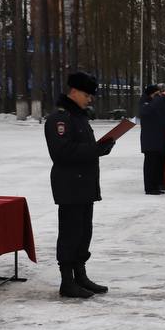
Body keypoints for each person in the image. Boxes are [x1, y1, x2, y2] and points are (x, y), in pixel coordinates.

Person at [45, 72, 115, 299]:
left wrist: (102, 147)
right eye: (87, 94)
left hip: (85, 184)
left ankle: (80, 275)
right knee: (70, 232)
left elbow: (84, 149)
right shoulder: (60, 119)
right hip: (70, 185)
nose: (90, 99)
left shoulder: (79, 118)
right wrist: (97, 148)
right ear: (73, 92)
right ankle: (67, 281)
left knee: (84, 232)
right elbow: (62, 153)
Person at [138, 84, 165, 195]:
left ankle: (155, 185)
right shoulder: (144, 103)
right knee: (150, 165)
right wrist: (157, 99)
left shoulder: (154, 103)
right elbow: (146, 112)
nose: (158, 97)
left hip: (157, 138)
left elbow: (164, 109)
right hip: (149, 140)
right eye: (156, 94)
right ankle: (149, 187)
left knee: (156, 164)